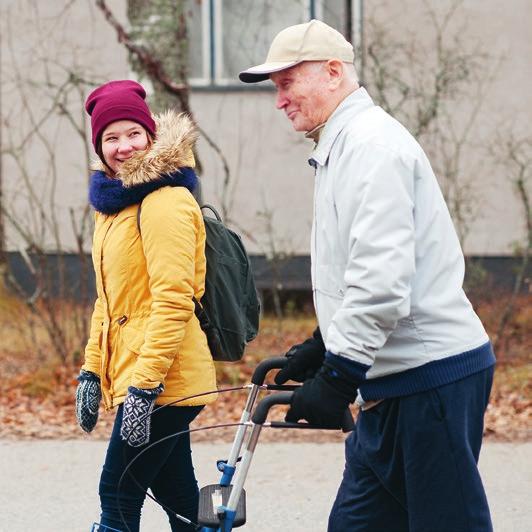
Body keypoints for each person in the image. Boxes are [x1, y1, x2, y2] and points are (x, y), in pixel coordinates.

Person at [240, 20, 495, 532]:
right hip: (386, 385)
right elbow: (357, 269)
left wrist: (336, 376)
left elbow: (381, 282)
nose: (279, 100)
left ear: (333, 73)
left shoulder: (372, 148)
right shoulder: (342, 145)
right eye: (275, 87)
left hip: (430, 378)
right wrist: (322, 343)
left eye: (288, 83)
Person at [75, 80, 217, 532]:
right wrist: (91, 371)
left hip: (164, 379)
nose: (123, 147)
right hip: (144, 375)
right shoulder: (113, 207)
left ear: (151, 135)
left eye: (133, 134)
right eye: (110, 138)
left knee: (117, 493)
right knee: (179, 497)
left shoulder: (164, 200)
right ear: (100, 146)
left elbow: (174, 301)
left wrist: (144, 388)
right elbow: (109, 303)